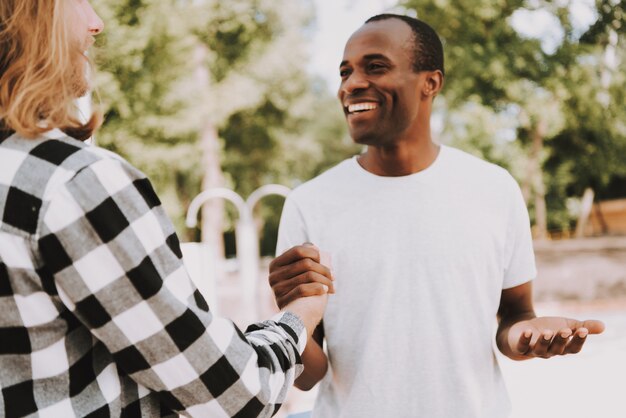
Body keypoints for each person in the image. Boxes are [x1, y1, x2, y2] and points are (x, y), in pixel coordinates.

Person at [0, 1, 329, 417]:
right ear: (25, 17)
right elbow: (236, 396)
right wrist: (300, 316)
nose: (95, 23)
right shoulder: (69, 184)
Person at [269, 13, 606, 418]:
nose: (351, 84)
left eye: (375, 66)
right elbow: (309, 375)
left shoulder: (494, 189)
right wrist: (289, 311)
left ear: (431, 82)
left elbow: (516, 314)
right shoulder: (310, 203)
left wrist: (526, 337)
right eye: (345, 72)